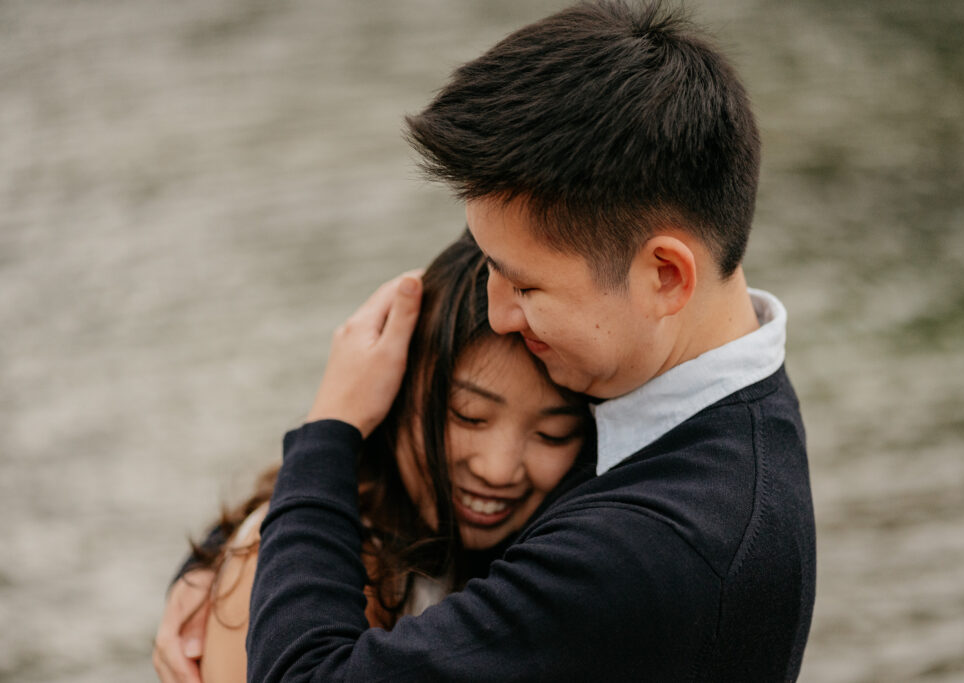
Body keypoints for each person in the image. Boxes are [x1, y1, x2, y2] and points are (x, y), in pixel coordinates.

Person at [244, 1, 815, 680]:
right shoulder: (717, 388)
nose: (497, 312)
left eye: (525, 286)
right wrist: (223, 555)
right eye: (486, 263)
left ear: (664, 275)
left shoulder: (653, 548)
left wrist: (329, 429)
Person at [152, 233, 594, 682]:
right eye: (469, 416)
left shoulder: (520, 549)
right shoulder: (313, 566)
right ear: (394, 392)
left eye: (552, 435)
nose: (498, 469)